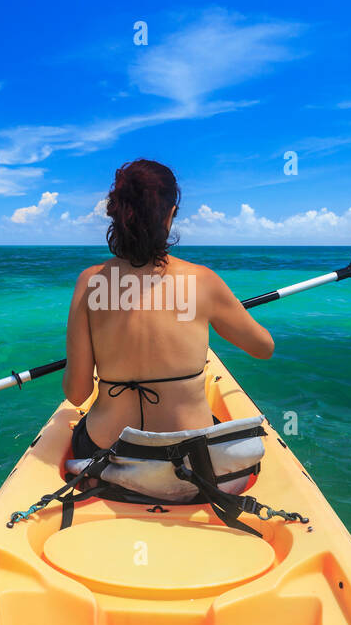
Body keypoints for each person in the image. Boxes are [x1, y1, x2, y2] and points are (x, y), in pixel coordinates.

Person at [63, 159, 274, 458]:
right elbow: (264, 348)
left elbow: (77, 394)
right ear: (170, 214)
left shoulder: (90, 282)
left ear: (117, 214)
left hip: (104, 451)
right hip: (188, 458)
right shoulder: (203, 281)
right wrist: (222, 310)